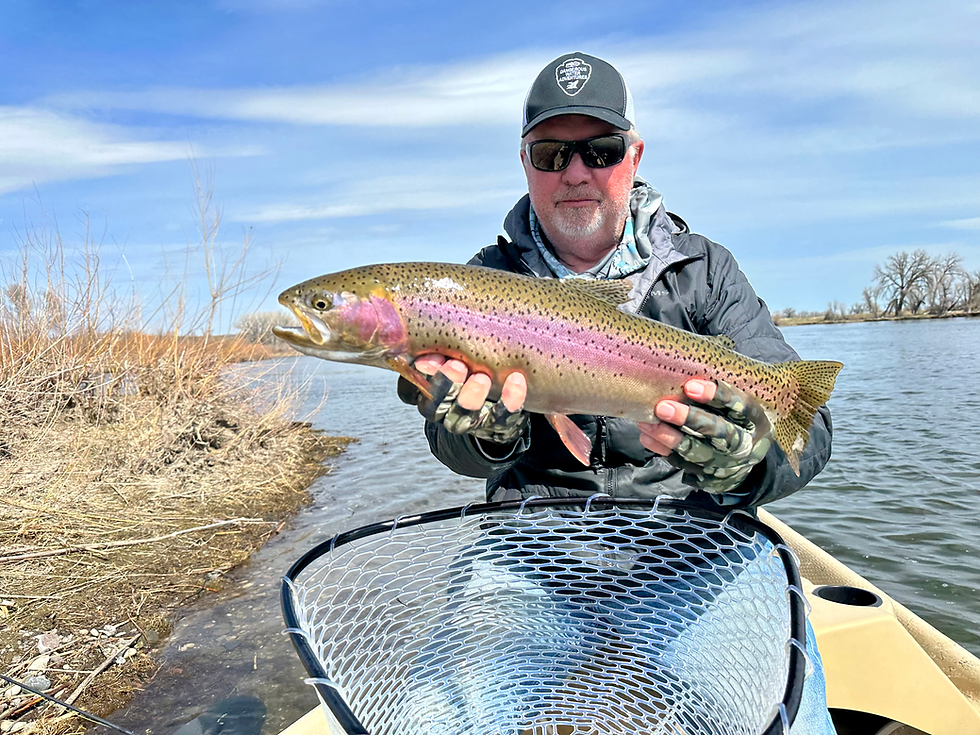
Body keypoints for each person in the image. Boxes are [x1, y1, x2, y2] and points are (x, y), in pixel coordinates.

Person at [399, 52, 837, 733]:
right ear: (525, 163)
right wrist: (485, 433)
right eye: (551, 152)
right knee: (434, 717)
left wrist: (746, 458)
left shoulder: (705, 273)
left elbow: (809, 428)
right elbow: (447, 442)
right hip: (529, 558)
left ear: (632, 156)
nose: (575, 172)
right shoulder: (478, 284)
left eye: (597, 149)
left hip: (697, 550)